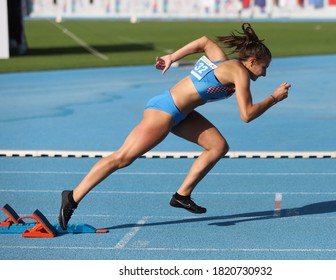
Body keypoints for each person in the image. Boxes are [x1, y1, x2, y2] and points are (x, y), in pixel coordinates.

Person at [58, 23, 291, 230]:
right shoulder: (239, 72)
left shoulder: (223, 61)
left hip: (182, 114)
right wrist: (274, 98)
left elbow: (204, 41)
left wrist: (172, 57)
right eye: (264, 67)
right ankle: (73, 197)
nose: (265, 73)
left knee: (218, 146)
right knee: (123, 158)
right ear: (251, 62)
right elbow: (247, 115)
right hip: (164, 111)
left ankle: (182, 195)